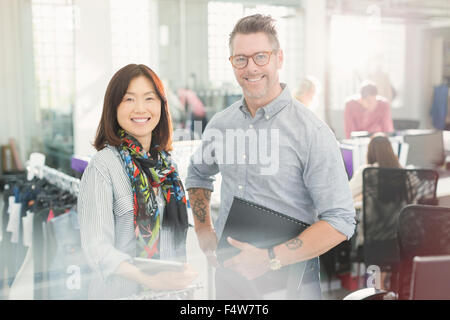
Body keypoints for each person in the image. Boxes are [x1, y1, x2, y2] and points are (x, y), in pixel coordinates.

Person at [185, 14, 355, 300]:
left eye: (260, 57)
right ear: (232, 64)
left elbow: (340, 220)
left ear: (279, 58)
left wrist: (270, 258)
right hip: (231, 279)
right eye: (240, 59)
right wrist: (203, 230)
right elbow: (198, 173)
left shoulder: (312, 132)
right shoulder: (220, 125)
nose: (250, 68)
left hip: (291, 282)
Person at [77, 64, 197, 299]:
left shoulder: (166, 168)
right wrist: (149, 280)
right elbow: (96, 250)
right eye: (129, 99)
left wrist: (180, 273)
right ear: (114, 108)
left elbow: (172, 237)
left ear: (161, 106)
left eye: (149, 98)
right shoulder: (102, 167)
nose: (140, 108)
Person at [349, 133, 402, 202]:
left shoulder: (367, 171)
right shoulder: (403, 172)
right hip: (400, 212)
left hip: (373, 212)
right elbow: (415, 196)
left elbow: (348, 194)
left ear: (370, 152)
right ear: (390, 150)